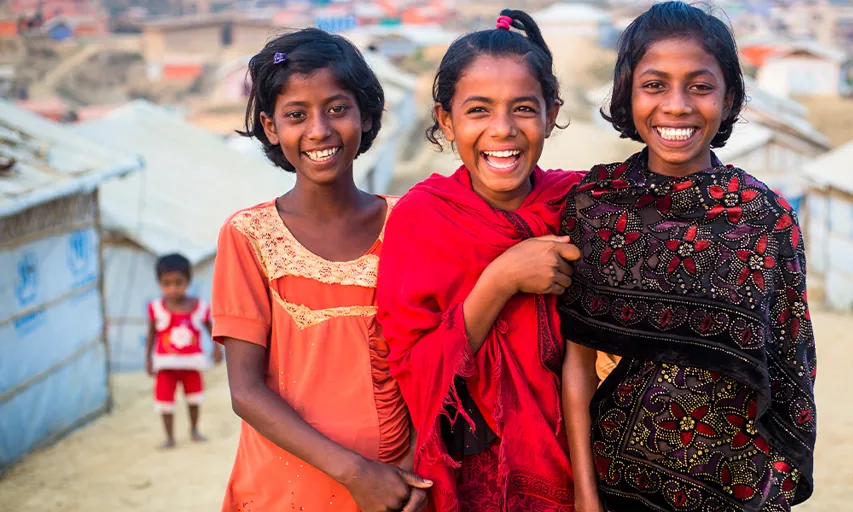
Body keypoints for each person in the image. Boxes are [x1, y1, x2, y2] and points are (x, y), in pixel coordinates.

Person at [559, 3, 817, 512]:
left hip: (738, 492)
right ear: (626, 95)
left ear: (730, 98)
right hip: (617, 486)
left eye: (700, 86)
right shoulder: (595, 207)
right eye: (654, 85)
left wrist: (772, 491)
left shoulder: (764, 219)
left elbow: (792, 366)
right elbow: (578, 364)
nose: (676, 105)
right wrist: (585, 496)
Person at [211, 28, 429, 512]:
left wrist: (415, 470)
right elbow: (246, 392)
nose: (319, 130)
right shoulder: (249, 236)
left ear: (367, 114)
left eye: (337, 108)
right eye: (296, 115)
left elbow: (435, 363)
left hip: (399, 488)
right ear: (271, 128)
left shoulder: (412, 224)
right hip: (285, 493)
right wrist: (357, 474)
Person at [377, 10, 581, 512]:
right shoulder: (421, 219)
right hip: (472, 474)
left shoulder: (581, 204)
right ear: (446, 120)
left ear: (551, 114)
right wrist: (502, 279)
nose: (503, 130)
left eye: (524, 109)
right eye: (478, 111)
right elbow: (410, 369)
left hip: (582, 464)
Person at [146, 253, 223, 449]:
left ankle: (194, 429)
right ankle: (169, 437)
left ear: (188, 281)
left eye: (178, 282)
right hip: (165, 365)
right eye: (167, 283)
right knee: (165, 402)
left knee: (194, 399)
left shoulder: (199, 307)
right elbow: (151, 335)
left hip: (192, 364)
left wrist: (217, 348)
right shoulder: (156, 308)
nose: (173, 288)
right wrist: (148, 359)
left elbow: (211, 329)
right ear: (159, 283)